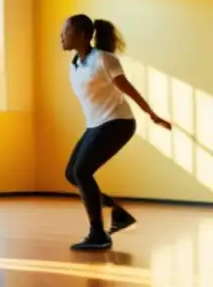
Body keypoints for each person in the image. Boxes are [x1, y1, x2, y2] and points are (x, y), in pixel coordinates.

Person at [61, 15, 170, 251]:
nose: (61, 35)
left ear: (80, 34)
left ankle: (98, 234)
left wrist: (151, 113)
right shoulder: (75, 63)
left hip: (118, 122)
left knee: (82, 171)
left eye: (66, 31)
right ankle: (116, 213)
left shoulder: (103, 59)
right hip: (96, 124)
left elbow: (128, 88)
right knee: (72, 174)